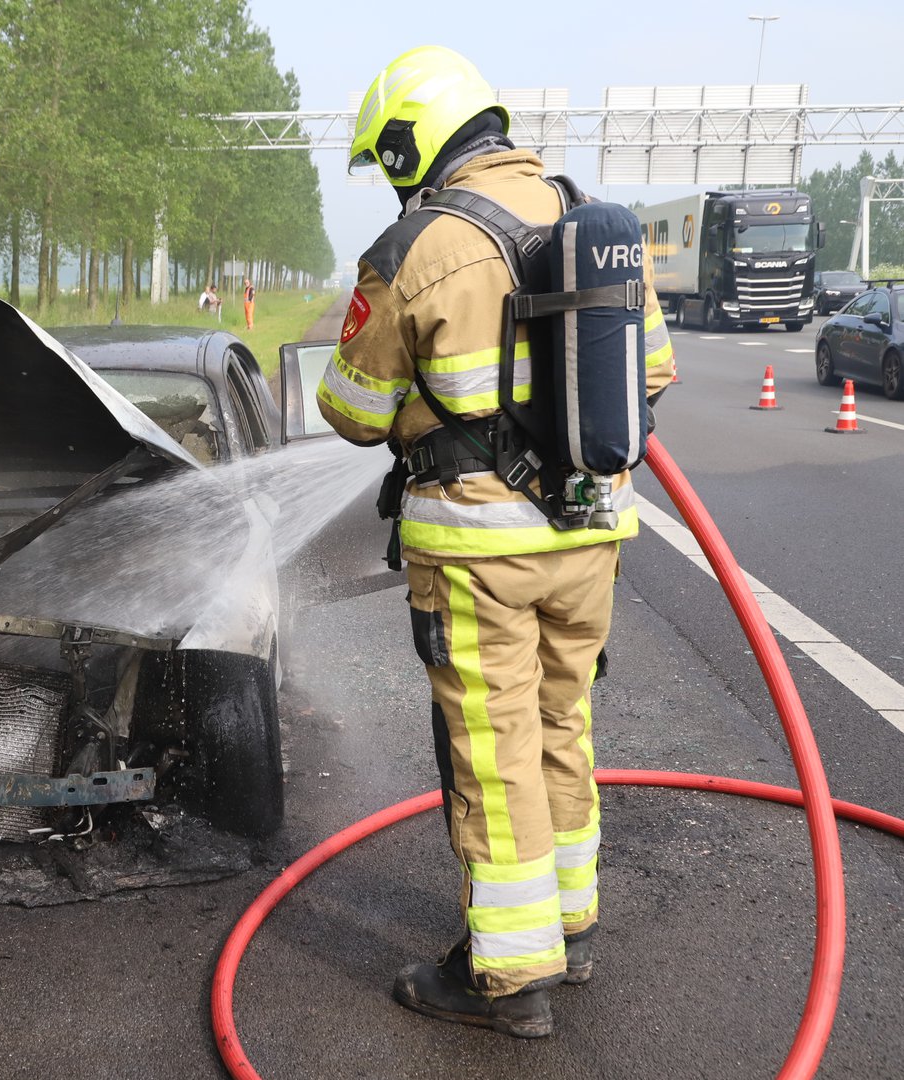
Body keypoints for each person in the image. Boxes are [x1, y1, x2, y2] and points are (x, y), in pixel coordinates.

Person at [315, 45, 674, 1039]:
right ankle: (569, 923)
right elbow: (656, 373)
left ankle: (508, 978)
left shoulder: (416, 246)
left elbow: (350, 407)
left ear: (412, 141)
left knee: (493, 746)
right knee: (563, 720)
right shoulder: (589, 220)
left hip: (479, 550)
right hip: (592, 534)